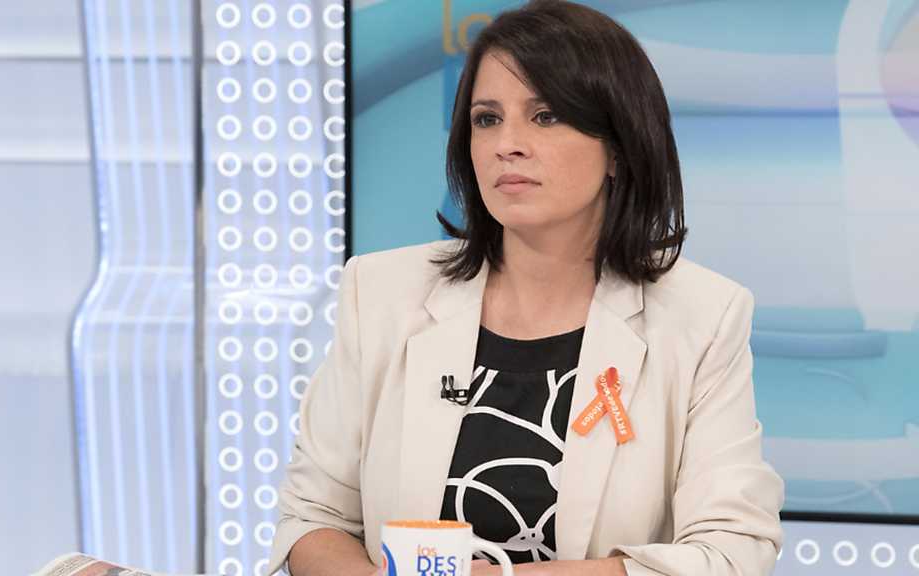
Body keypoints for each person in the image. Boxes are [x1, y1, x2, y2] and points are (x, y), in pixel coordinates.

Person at [267, 1, 784, 574]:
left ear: (618, 147)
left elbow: (731, 551)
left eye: (545, 116)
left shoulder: (703, 317)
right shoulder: (381, 293)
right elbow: (311, 518)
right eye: (487, 119)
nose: (506, 144)